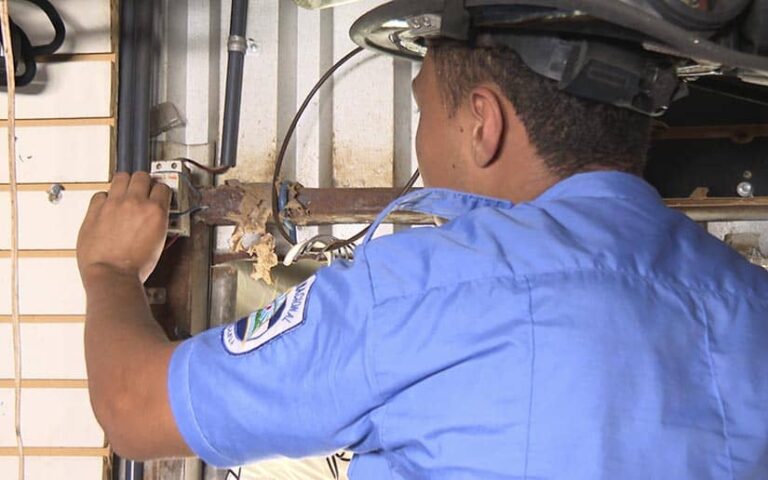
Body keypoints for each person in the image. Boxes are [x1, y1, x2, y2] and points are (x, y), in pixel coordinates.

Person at [76, 40, 768, 479]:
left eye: (422, 110)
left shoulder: (420, 291)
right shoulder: (750, 305)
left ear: (480, 122)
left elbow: (135, 408)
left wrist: (108, 271)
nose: (420, 139)